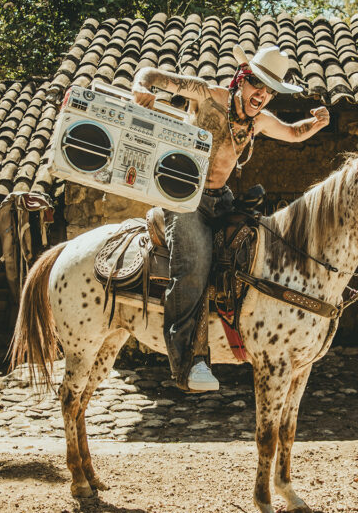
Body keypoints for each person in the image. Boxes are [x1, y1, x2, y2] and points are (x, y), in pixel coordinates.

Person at [132, 45, 330, 392]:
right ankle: (188, 363)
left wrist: (317, 124)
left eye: (270, 90)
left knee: (256, 249)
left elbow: (294, 133)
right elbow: (150, 75)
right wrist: (141, 89)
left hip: (220, 199)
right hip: (185, 197)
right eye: (257, 84)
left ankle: (250, 335)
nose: (262, 94)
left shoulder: (260, 120)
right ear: (241, 78)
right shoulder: (209, 96)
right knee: (192, 265)